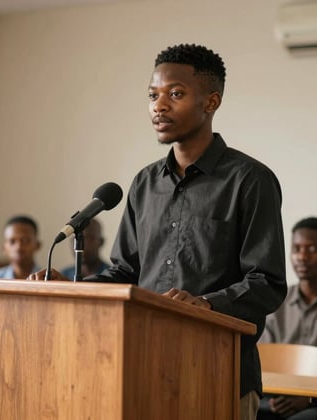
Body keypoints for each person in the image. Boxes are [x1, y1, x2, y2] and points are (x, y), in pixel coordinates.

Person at [29, 43, 287, 420]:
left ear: (211, 102)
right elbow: (124, 273)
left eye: (175, 94)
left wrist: (207, 304)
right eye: (153, 95)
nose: (159, 106)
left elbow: (267, 282)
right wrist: (70, 290)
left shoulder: (249, 180)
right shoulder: (144, 184)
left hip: (218, 372)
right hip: (143, 368)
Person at [257, 217, 317, 420]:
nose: (302, 257)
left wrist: (308, 399)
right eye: (296, 249)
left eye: (311, 249)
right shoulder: (276, 302)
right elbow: (264, 361)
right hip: (276, 397)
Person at [0, 215, 41, 279]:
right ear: (4, 248)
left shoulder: (48, 280)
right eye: (12, 241)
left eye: (25, 241)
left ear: (37, 245)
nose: (18, 247)